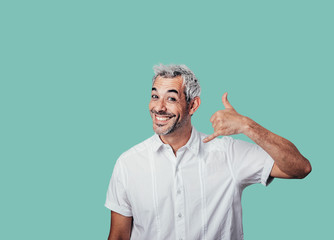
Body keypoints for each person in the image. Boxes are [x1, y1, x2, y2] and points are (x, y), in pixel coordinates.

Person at [105, 64, 311, 240]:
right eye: (154, 96)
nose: (159, 107)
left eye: (171, 99)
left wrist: (247, 126)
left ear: (193, 105)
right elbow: (119, 236)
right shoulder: (128, 163)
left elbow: (300, 168)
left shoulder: (228, 154)